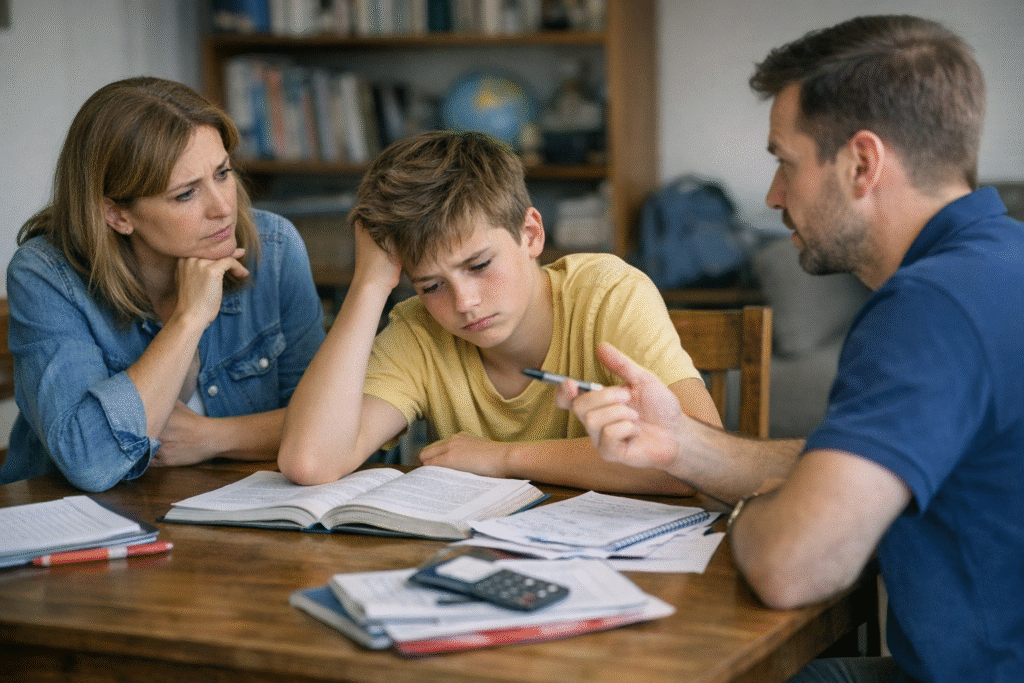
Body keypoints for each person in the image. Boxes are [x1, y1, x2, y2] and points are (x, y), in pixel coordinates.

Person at [559, 15, 1024, 683]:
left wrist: (757, 513)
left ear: (862, 163)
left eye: (784, 161)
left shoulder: (930, 306)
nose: (774, 196)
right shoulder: (1001, 262)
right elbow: (840, 466)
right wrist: (681, 444)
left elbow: (792, 565)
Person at [278, 130, 721, 492]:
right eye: (431, 285)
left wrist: (505, 458)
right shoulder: (418, 329)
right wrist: (369, 284)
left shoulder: (608, 293)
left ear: (530, 234)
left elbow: (698, 456)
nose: (464, 303)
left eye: (479, 265)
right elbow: (311, 461)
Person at [1, 77, 326, 492]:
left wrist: (212, 438)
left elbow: (327, 422)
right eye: (186, 194)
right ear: (117, 215)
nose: (223, 207)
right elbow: (91, 461)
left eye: (222, 173)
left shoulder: (274, 248)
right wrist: (188, 321)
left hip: (235, 520)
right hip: (82, 529)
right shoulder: (46, 276)